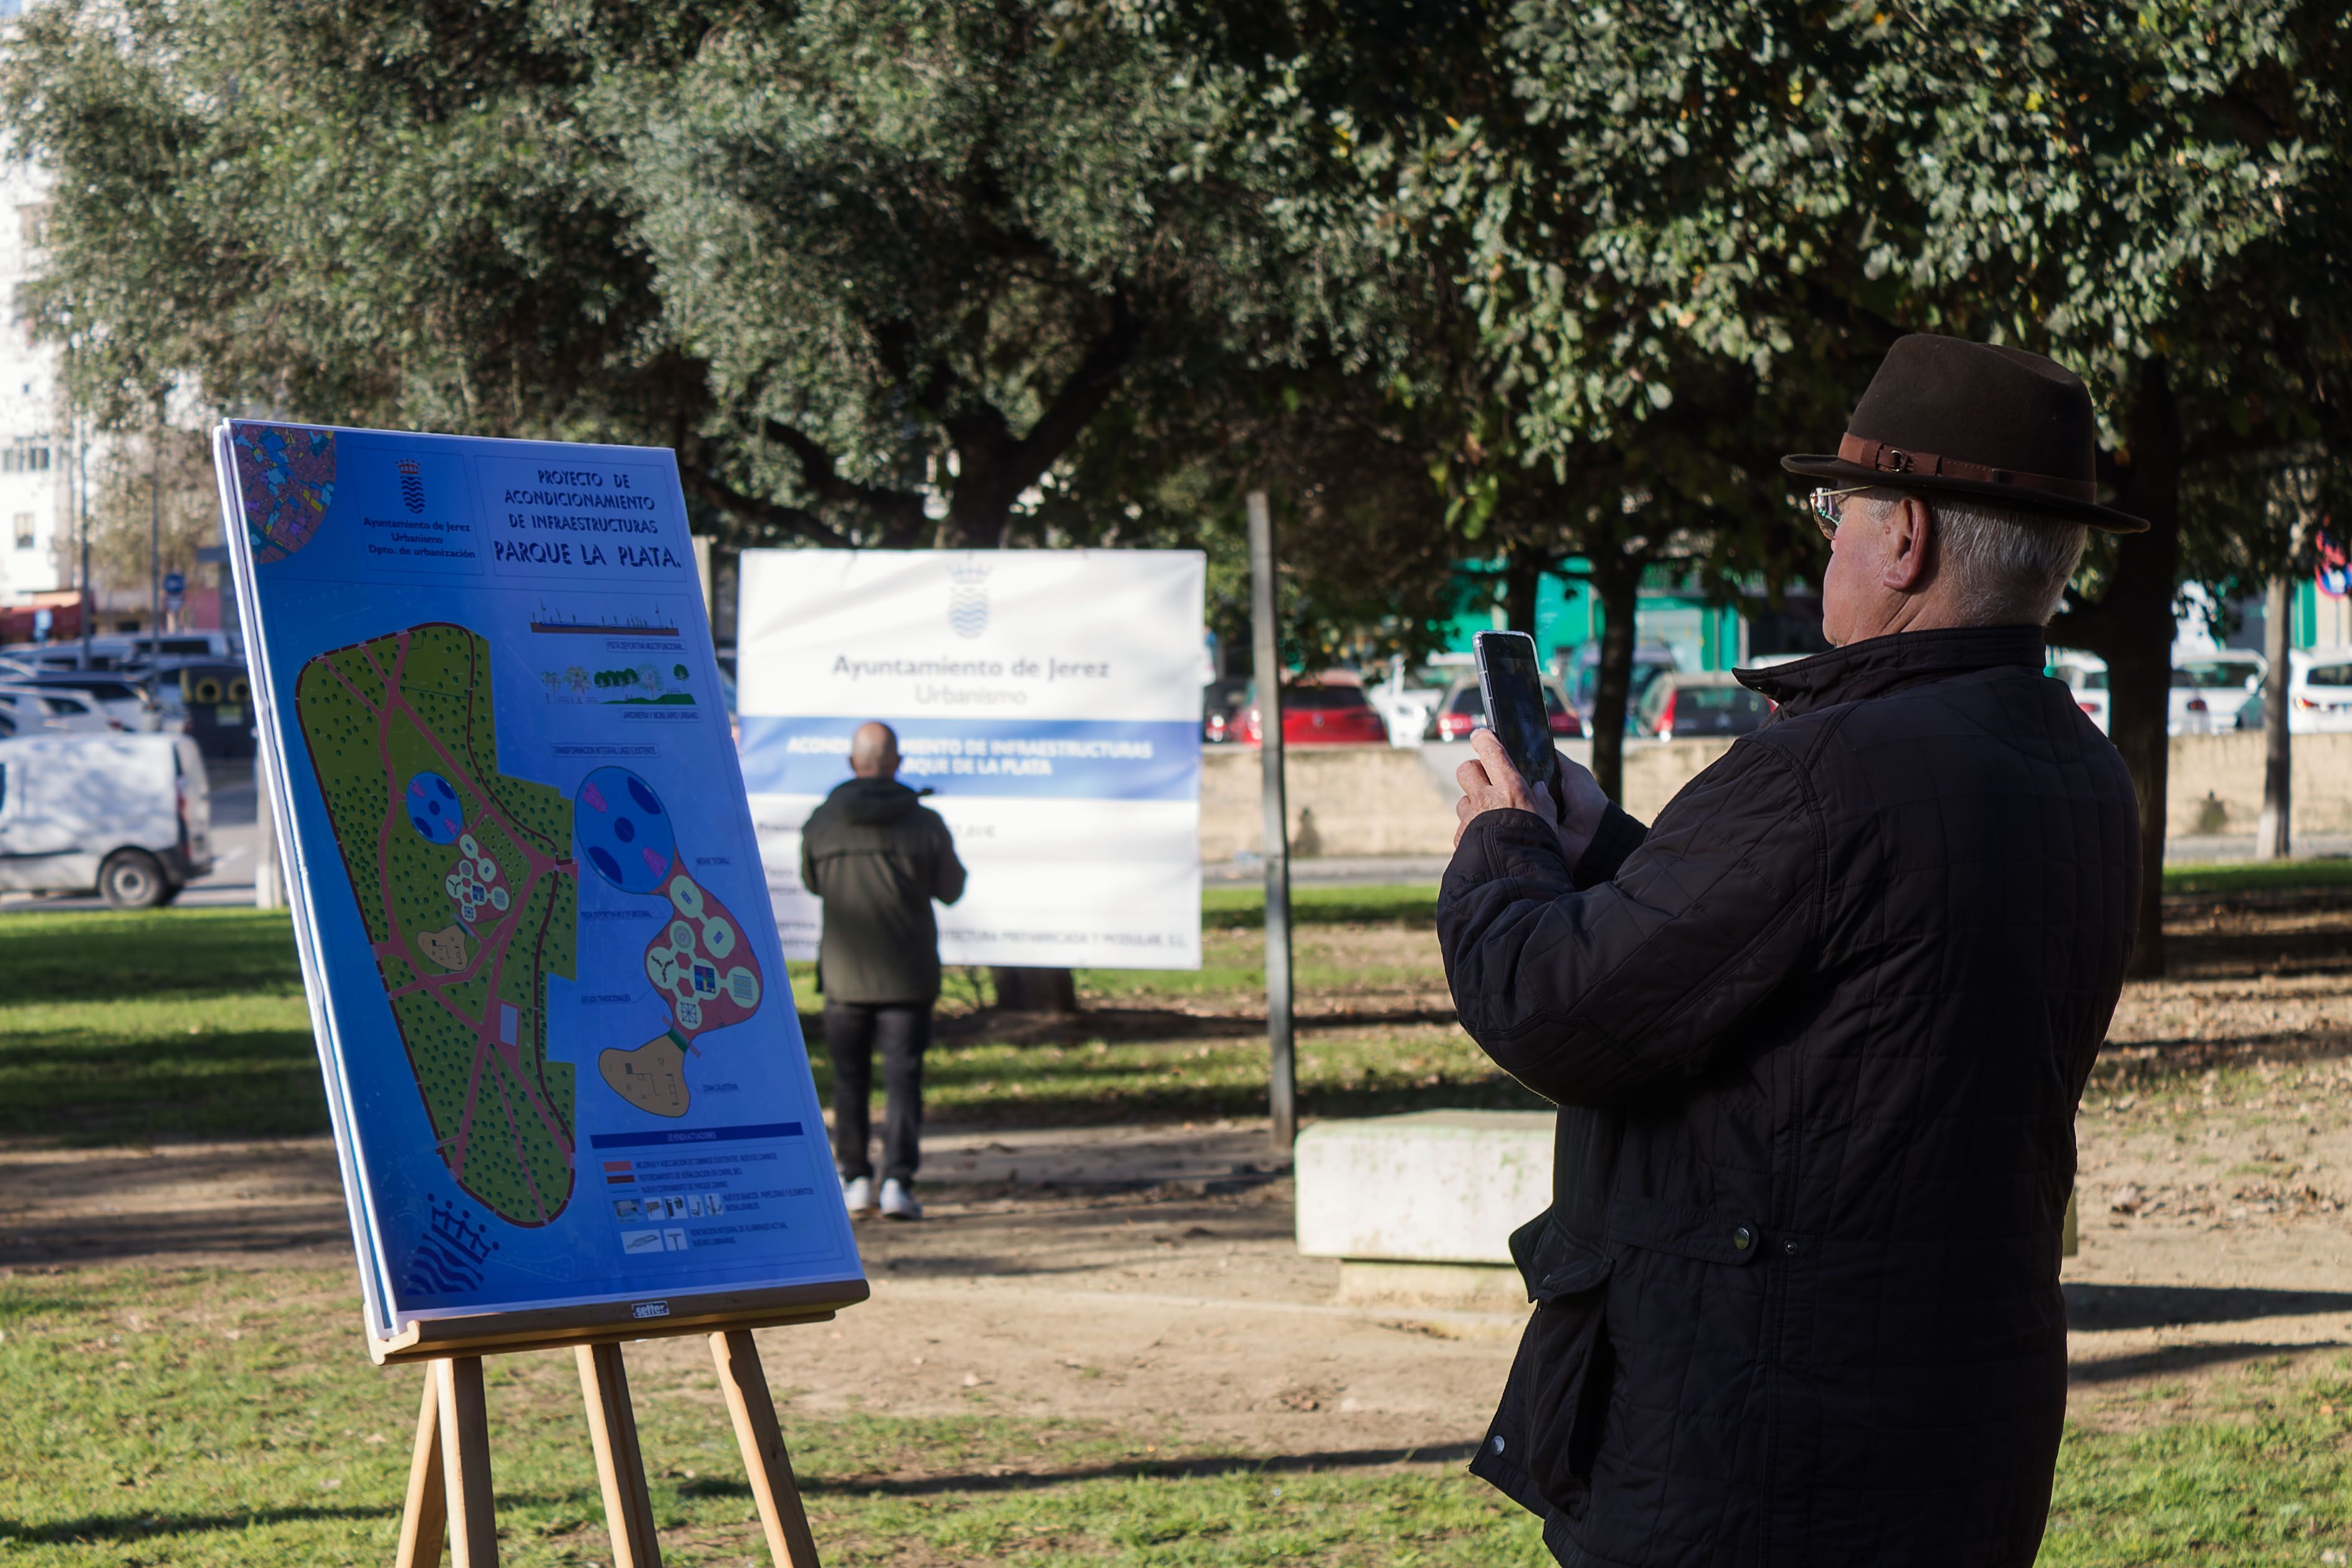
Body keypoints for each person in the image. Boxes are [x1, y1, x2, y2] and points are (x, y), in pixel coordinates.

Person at [1440, 335, 2143, 1567]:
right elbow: (1814, 967)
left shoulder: (1826, 769)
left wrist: (1505, 839)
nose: (1827, 542)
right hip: (1954, 1432)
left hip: (1753, 1453)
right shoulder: (2077, 766)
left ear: (1906, 538)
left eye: (1838, 511)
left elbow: (1553, 1003)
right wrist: (1601, 843)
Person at [799, 721, 966, 1221]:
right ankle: (898, 1181)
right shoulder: (925, 822)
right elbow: (952, 888)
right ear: (897, 762)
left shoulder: (822, 822)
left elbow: (812, 882)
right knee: (903, 1080)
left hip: (845, 978)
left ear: (854, 763)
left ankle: (854, 1178)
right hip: (908, 976)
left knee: (849, 1079)